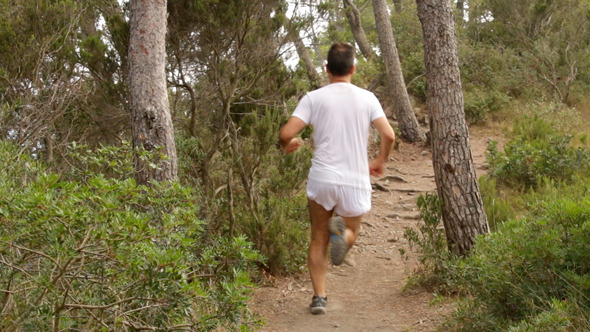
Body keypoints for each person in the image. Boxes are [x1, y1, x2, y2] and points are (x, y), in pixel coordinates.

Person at [278, 42, 395, 315]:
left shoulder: (313, 98)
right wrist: (379, 161)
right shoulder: (367, 98)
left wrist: (290, 143)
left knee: (318, 238)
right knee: (348, 230)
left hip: (323, 178)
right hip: (355, 178)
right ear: (353, 68)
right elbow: (388, 135)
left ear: (327, 69)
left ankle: (319, 298)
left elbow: (285, 134)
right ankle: (343, 236)